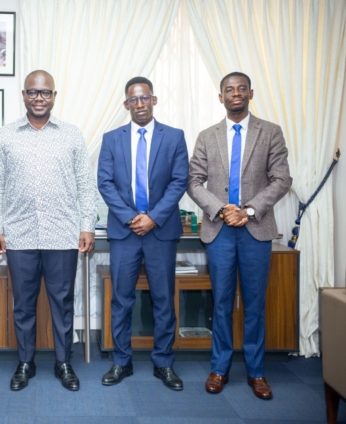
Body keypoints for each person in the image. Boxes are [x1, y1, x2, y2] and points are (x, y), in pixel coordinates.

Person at [0, 70, 98, 392]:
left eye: (45, 92)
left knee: (62, 303)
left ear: (54, 96)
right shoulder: (6, 135)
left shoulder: (71, 135)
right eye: (32, 92)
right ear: (23, 95)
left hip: (62, 234)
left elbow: (85, 185)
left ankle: (63, 362)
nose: (39, 98)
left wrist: (87, 225)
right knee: (23, 304)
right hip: (19, 234)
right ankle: (26, 362)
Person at [187, 72, 291, 400]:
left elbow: (281, 179)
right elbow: (193, 181)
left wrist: (248, 210)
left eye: (241, 89)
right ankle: (219, 369)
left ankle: (256, 372)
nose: (236, 94)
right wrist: (221, 209)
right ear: (221, 97)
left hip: (255, 230)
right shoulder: (207, 136)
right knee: (220, 303)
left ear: (250, 93)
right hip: (219, 231)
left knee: (254, 305)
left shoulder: (270, 132)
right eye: (229, 90)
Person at [97, 76, 188, 390]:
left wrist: (153, 218)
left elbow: (179, 181)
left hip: (160, 232)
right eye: (133, 99)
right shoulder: (112, 139)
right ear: (126, 104)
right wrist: (131, 218)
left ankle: (163, 363)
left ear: (154, 100)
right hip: (125, 233)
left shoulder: (174, 137)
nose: (140, 104)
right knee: (121, 300)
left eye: (145, 97)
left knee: (163, 300)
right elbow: (105, 183)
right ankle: (122, 362)